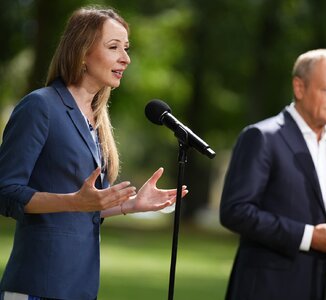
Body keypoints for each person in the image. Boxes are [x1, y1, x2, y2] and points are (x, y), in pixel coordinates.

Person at [0, 6, 187, 300]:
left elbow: (89, 206)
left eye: (126, 48)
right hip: (37, 286)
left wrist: (132, 205)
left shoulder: (98, 120)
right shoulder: (40, 106)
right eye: (113, 47)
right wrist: (74, 201)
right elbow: (6, 192)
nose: (125, 58)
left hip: (81, 288)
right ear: (82, 52)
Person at [220, 49, 326, 300]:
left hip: (321, 287)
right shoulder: (262, 137)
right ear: (299, 87)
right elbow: (236, 211)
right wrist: (309, 237)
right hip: (266, 289)